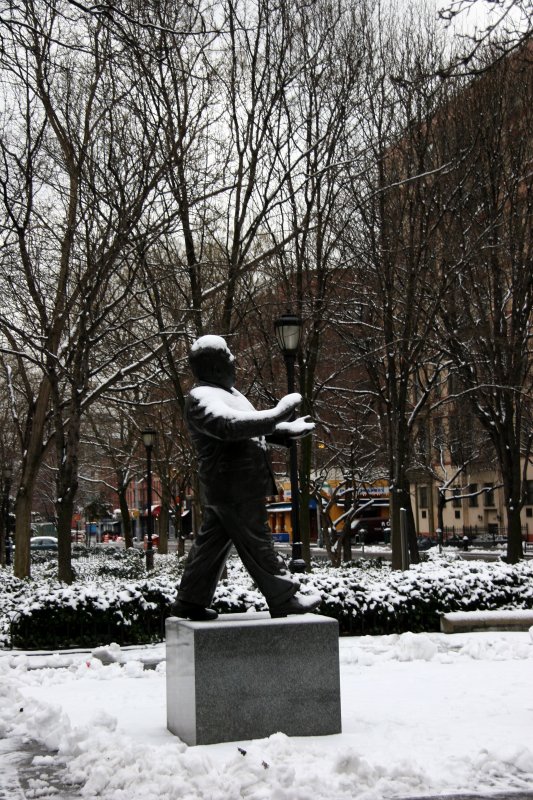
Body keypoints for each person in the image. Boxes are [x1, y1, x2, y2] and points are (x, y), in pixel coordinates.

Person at [172, 334, 321, 621]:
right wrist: (277, 413)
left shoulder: (231, 395)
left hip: (236, 488)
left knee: (210, 547)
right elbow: (229, 426)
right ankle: (283, 596)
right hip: (232, 488)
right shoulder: (201, 398)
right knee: (258, 540)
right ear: (214, 366)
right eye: (228, 356)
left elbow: (251, 428)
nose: (234, 360)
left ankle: (189, 600)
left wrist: (285, 430)